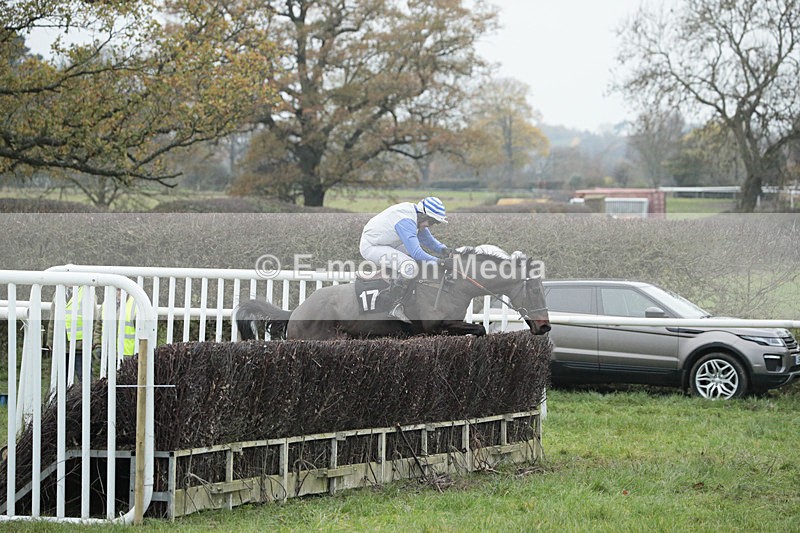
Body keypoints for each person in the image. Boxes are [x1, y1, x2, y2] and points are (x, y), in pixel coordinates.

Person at [359, 196, 451, 323]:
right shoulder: (407, 221)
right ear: (424, 216)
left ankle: (400, 289)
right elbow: (417, 253)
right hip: (372, 246)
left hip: (386, 243)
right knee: (410, 265)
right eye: (432, 222)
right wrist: (439, 262)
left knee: (413, 261)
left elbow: (427, 239)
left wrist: (444, 249)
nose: (431, 226)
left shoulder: (416, 216)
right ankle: (393, 305)